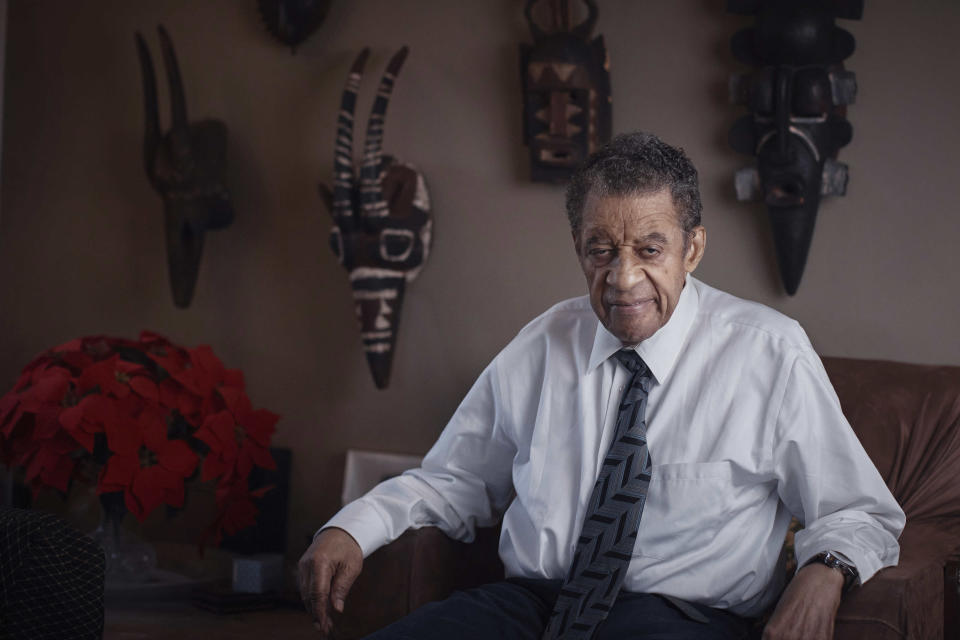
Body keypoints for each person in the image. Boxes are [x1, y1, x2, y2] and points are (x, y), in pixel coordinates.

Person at [299, 132, 904, 640]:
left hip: (681, 618)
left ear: (692, 248)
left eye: (648, 249)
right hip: (532, 607)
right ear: (577, 247)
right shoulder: (542, 344)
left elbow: (858, 510)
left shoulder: (769, 352)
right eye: (601, 250)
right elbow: (455, 478)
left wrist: (825, 570)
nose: (622, 278)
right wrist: (353, 526)